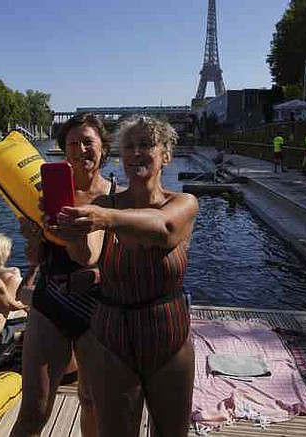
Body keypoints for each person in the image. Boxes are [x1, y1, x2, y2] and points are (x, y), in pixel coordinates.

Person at [54, 115, 199, 437]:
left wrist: (105, 217)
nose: (135, 153)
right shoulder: (105, 206)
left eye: (146, 145)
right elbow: (87, 256)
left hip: (170, 335)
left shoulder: (183, 203)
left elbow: (165, 229)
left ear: (166, 155)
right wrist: (71, 235)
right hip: (112, 337)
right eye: (129, 146)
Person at [11, 113, 117, 437]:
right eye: (73, 143)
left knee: (93, 402)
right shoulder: (49, 192)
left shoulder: (116, 197)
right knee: (35, 409)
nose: (81, 149)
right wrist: (32, 235)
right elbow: (36, 257)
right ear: (63, 150)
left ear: (102, 148)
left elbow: (91, 256)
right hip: (51, 301)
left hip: (97, 309)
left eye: (88, 142)